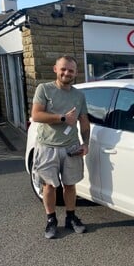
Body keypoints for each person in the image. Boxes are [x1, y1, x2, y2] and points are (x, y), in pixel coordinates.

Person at [31, 55, 90, 239]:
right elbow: (36, 115)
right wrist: (62, 118)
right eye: (63, 69)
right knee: (49, 185)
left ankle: (71, 217)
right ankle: (51, 220)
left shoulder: (79, 95)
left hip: (71, 147)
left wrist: (85, 142)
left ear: (76, 73)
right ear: (55, 69)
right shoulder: (44, 89)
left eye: (71, 70)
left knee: (70, 185)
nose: (67, 73)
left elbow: (84, 122)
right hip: (47, 146)